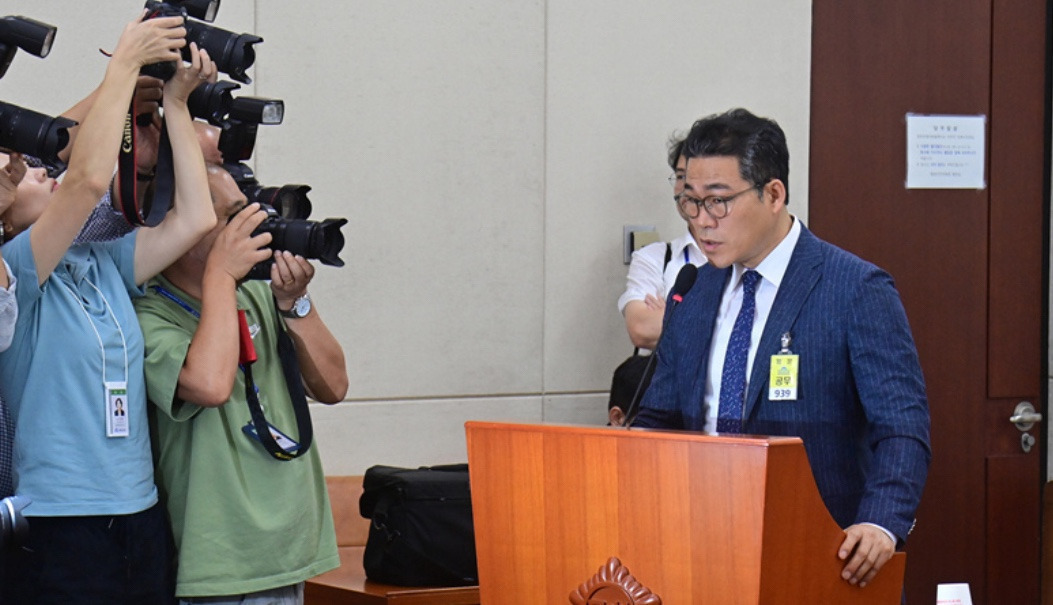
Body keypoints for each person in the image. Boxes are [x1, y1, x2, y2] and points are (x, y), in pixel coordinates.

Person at [632, 108, 931, 589]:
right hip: (700, 544)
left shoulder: (854, 288)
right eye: (689, 202)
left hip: (821, 555)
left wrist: (881, 522)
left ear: (773, 194)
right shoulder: (693, 291)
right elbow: (659, 418)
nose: (701, 222)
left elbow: (901, 426)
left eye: (718, 202)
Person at [0, 11, 218, 602]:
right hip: (59, 523)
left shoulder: (100, 260)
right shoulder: (18, 268)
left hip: (140, 511)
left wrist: (176, 104)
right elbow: (88, 181)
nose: (42, 172)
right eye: (28, 175)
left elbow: (196, 219)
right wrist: (123, 65)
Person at [134, 160, 347, 603]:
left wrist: (294, 302)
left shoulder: (256, 293)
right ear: (181, 226)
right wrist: (221, 275)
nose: (252, 224)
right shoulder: (147, 315)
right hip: (222, 561)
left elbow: (334, 386)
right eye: (232, 216)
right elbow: (210, 385)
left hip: (289, 549)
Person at [617, 137, 707, 350]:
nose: (686, 188)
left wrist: (671, 314)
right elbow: (642, 329)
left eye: (695, 177)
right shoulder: (655, 258)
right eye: (681, 176)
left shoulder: (746, 256)